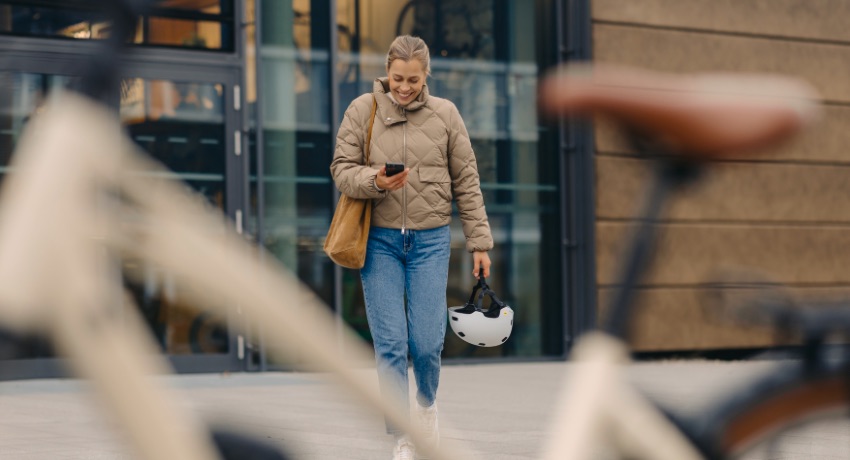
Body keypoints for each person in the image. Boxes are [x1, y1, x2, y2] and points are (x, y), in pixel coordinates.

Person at [330, 35, 493, 460]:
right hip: (379, 241)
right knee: (390, 344)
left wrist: (479, 242)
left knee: (425, 342)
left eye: (413, 80)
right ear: (387, 72)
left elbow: (467, 181)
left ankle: (425, 406)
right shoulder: (362, 110)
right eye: (398, 78)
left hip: (430, 241)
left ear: (426, 77)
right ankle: (404, 436)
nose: (404, 87)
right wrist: (375, 181)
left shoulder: (445, 115)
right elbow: (341, 170)